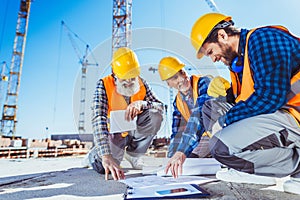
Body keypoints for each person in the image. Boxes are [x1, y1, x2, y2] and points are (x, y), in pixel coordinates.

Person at [172, 12, 299, 194]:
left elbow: (270, 96)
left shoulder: (262, 40)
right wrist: (227, 96)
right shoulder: (239, 63)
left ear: (222, 35)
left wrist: (224, 121)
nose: (213, 58)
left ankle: (295, 165)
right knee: (210, 107)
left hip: (294, 115)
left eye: (211, 52)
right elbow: (248, 99)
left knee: (221, 147)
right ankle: (253, 168)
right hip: (278, 114)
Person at [89, 47, 164, 181]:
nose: (129, 82)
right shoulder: (104, 85)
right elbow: (98, 118)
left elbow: (161, 106)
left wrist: (142, 103)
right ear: (114, 73)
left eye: (132, 77)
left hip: (134, 133)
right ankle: (95, 154)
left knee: (155, 115)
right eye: (125, 78)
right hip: (114, 136)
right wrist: (106, 156)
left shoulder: (142, 83)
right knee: (105, 168)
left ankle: (134, 155)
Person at [158, 56, 212, 162]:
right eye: (175, 77)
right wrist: (171, 157)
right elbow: (178, 132)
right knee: (182, 159)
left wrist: (182, 151)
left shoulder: (204, 83)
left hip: (217, 133)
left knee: (188, 156)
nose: (182, 78)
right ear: (168, 84)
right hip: (201, 138)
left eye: (182, 72)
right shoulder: (177, 102)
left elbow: (198, 116)